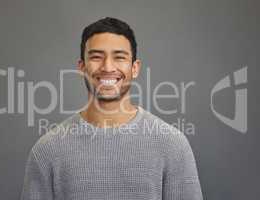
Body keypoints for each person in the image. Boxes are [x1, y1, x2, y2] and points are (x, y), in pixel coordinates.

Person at [21, 17, 203, 200]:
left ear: (135, 68)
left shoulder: (173, 146)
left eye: (119, 57)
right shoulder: (47, 151)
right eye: (96, 57)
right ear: (82, 67)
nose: (108, 67)